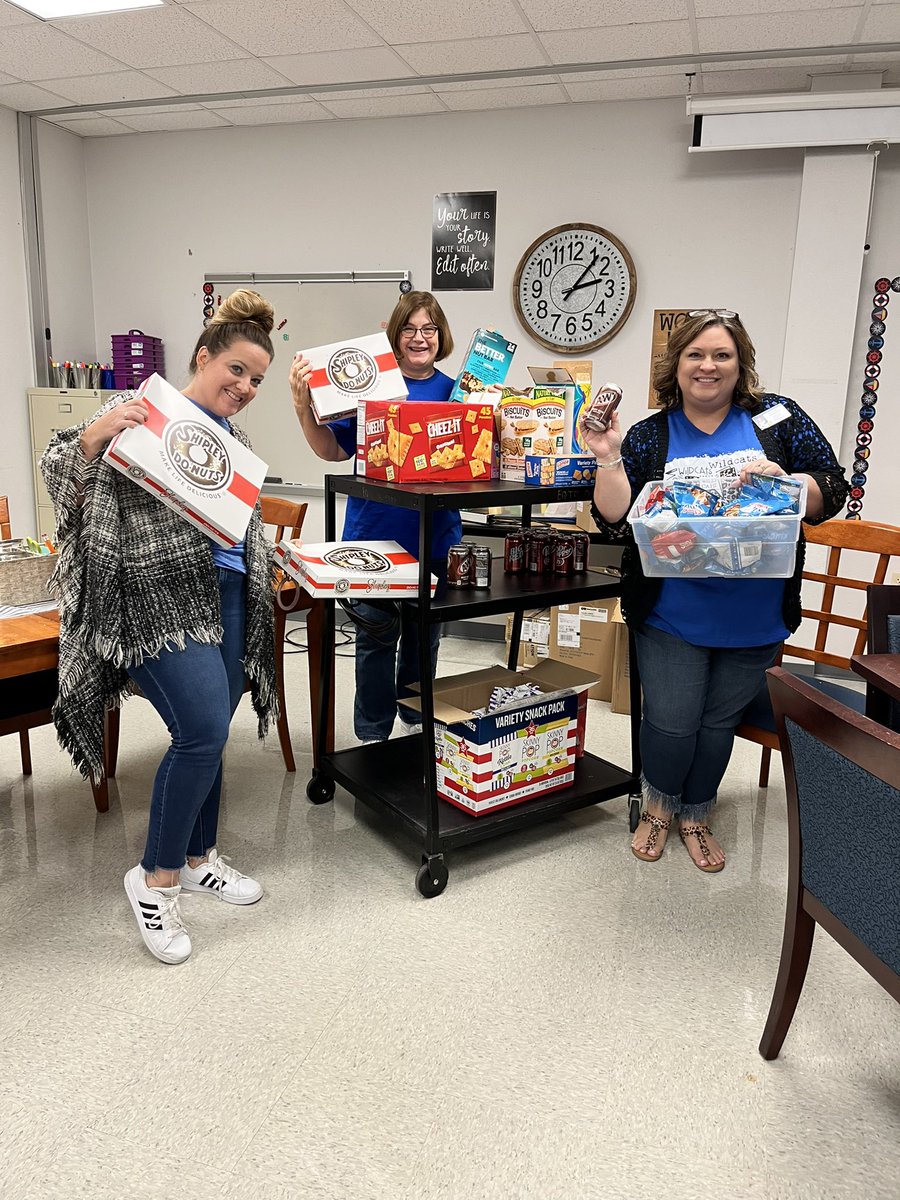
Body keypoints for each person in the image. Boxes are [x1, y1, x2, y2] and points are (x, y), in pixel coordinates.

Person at [41, 290, 279, 964]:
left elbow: (239, 522)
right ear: (203, 357)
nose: (245, 387)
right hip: (152, 601)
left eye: (256, 379)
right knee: (200, 727)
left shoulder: (234, 438)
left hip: (231, 596)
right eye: (235, 369)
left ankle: (200, 855)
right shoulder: (140, 414)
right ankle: (155, 879)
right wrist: (92, 436)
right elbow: (60, 476)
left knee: (215, 729)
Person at [582, 309, 848, 872]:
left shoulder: (778, 421)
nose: (708, 366)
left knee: (717, 723)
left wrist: (792, 484)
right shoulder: (650, 434)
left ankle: (696, 814)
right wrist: (607, 455)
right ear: (675, 365)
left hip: (755, 615)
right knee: (672, 721)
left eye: (721, 355)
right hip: (674, 612)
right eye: (695, 355)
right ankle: (658, 807)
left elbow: (832, 485)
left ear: (740, 363)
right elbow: (614, 520)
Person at [289, 290, 460, 744]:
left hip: (434, 538)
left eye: (429, 329)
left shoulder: (457, 392)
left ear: (440, 335)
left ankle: (417, 720)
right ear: (394, 335)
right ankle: (371, 735)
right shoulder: (370, 385)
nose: (419, 338)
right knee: (375, 641)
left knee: (425, 639)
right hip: (373, 539)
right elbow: (333, 449)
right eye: (409, 328)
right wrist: (304, 408)